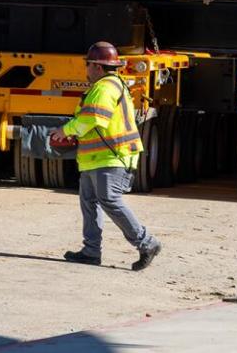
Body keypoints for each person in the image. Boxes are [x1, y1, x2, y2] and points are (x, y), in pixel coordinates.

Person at [54, 40, 162, 271]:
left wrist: (66, 131)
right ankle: (91, 251)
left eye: (89, 64)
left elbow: (93, 119)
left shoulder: (105, 88)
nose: (86, 69)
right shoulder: (107, 86)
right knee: (90, 202)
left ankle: (147, 243)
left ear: (98, 67)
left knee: (109, 200)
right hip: (97, 157)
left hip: (112, 157)